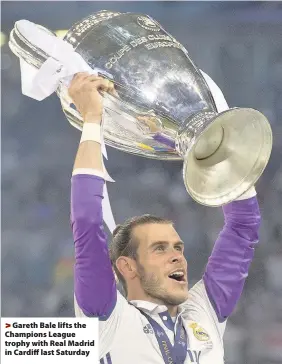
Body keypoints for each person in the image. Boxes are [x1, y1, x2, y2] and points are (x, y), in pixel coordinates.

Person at [69, 72, 261, 364]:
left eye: (178, 247)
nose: (177, 257)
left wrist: (215, 149)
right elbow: (87, 222)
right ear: (127, 266)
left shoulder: (202, 313)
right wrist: (92, 121)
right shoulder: (106, 321)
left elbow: (243, 227)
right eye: (159, 248)